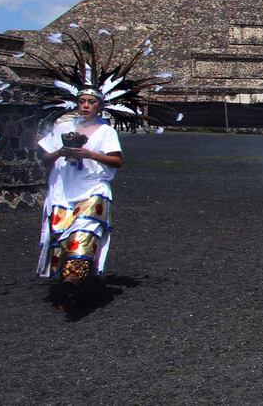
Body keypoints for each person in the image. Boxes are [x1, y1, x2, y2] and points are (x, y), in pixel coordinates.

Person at [29, 28, 171, 304]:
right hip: (62, 192)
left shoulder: (106, 132)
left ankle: (74, 285)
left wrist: (90, 155)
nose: (85, 106)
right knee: (61, 241)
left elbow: (117, 161)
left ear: (99, 106)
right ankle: (73, 282)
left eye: (90, 102)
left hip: (94, 189)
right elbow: (43, 157)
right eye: (81, 101)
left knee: (86, 232)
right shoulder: (62, 128)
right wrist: (62, 150)